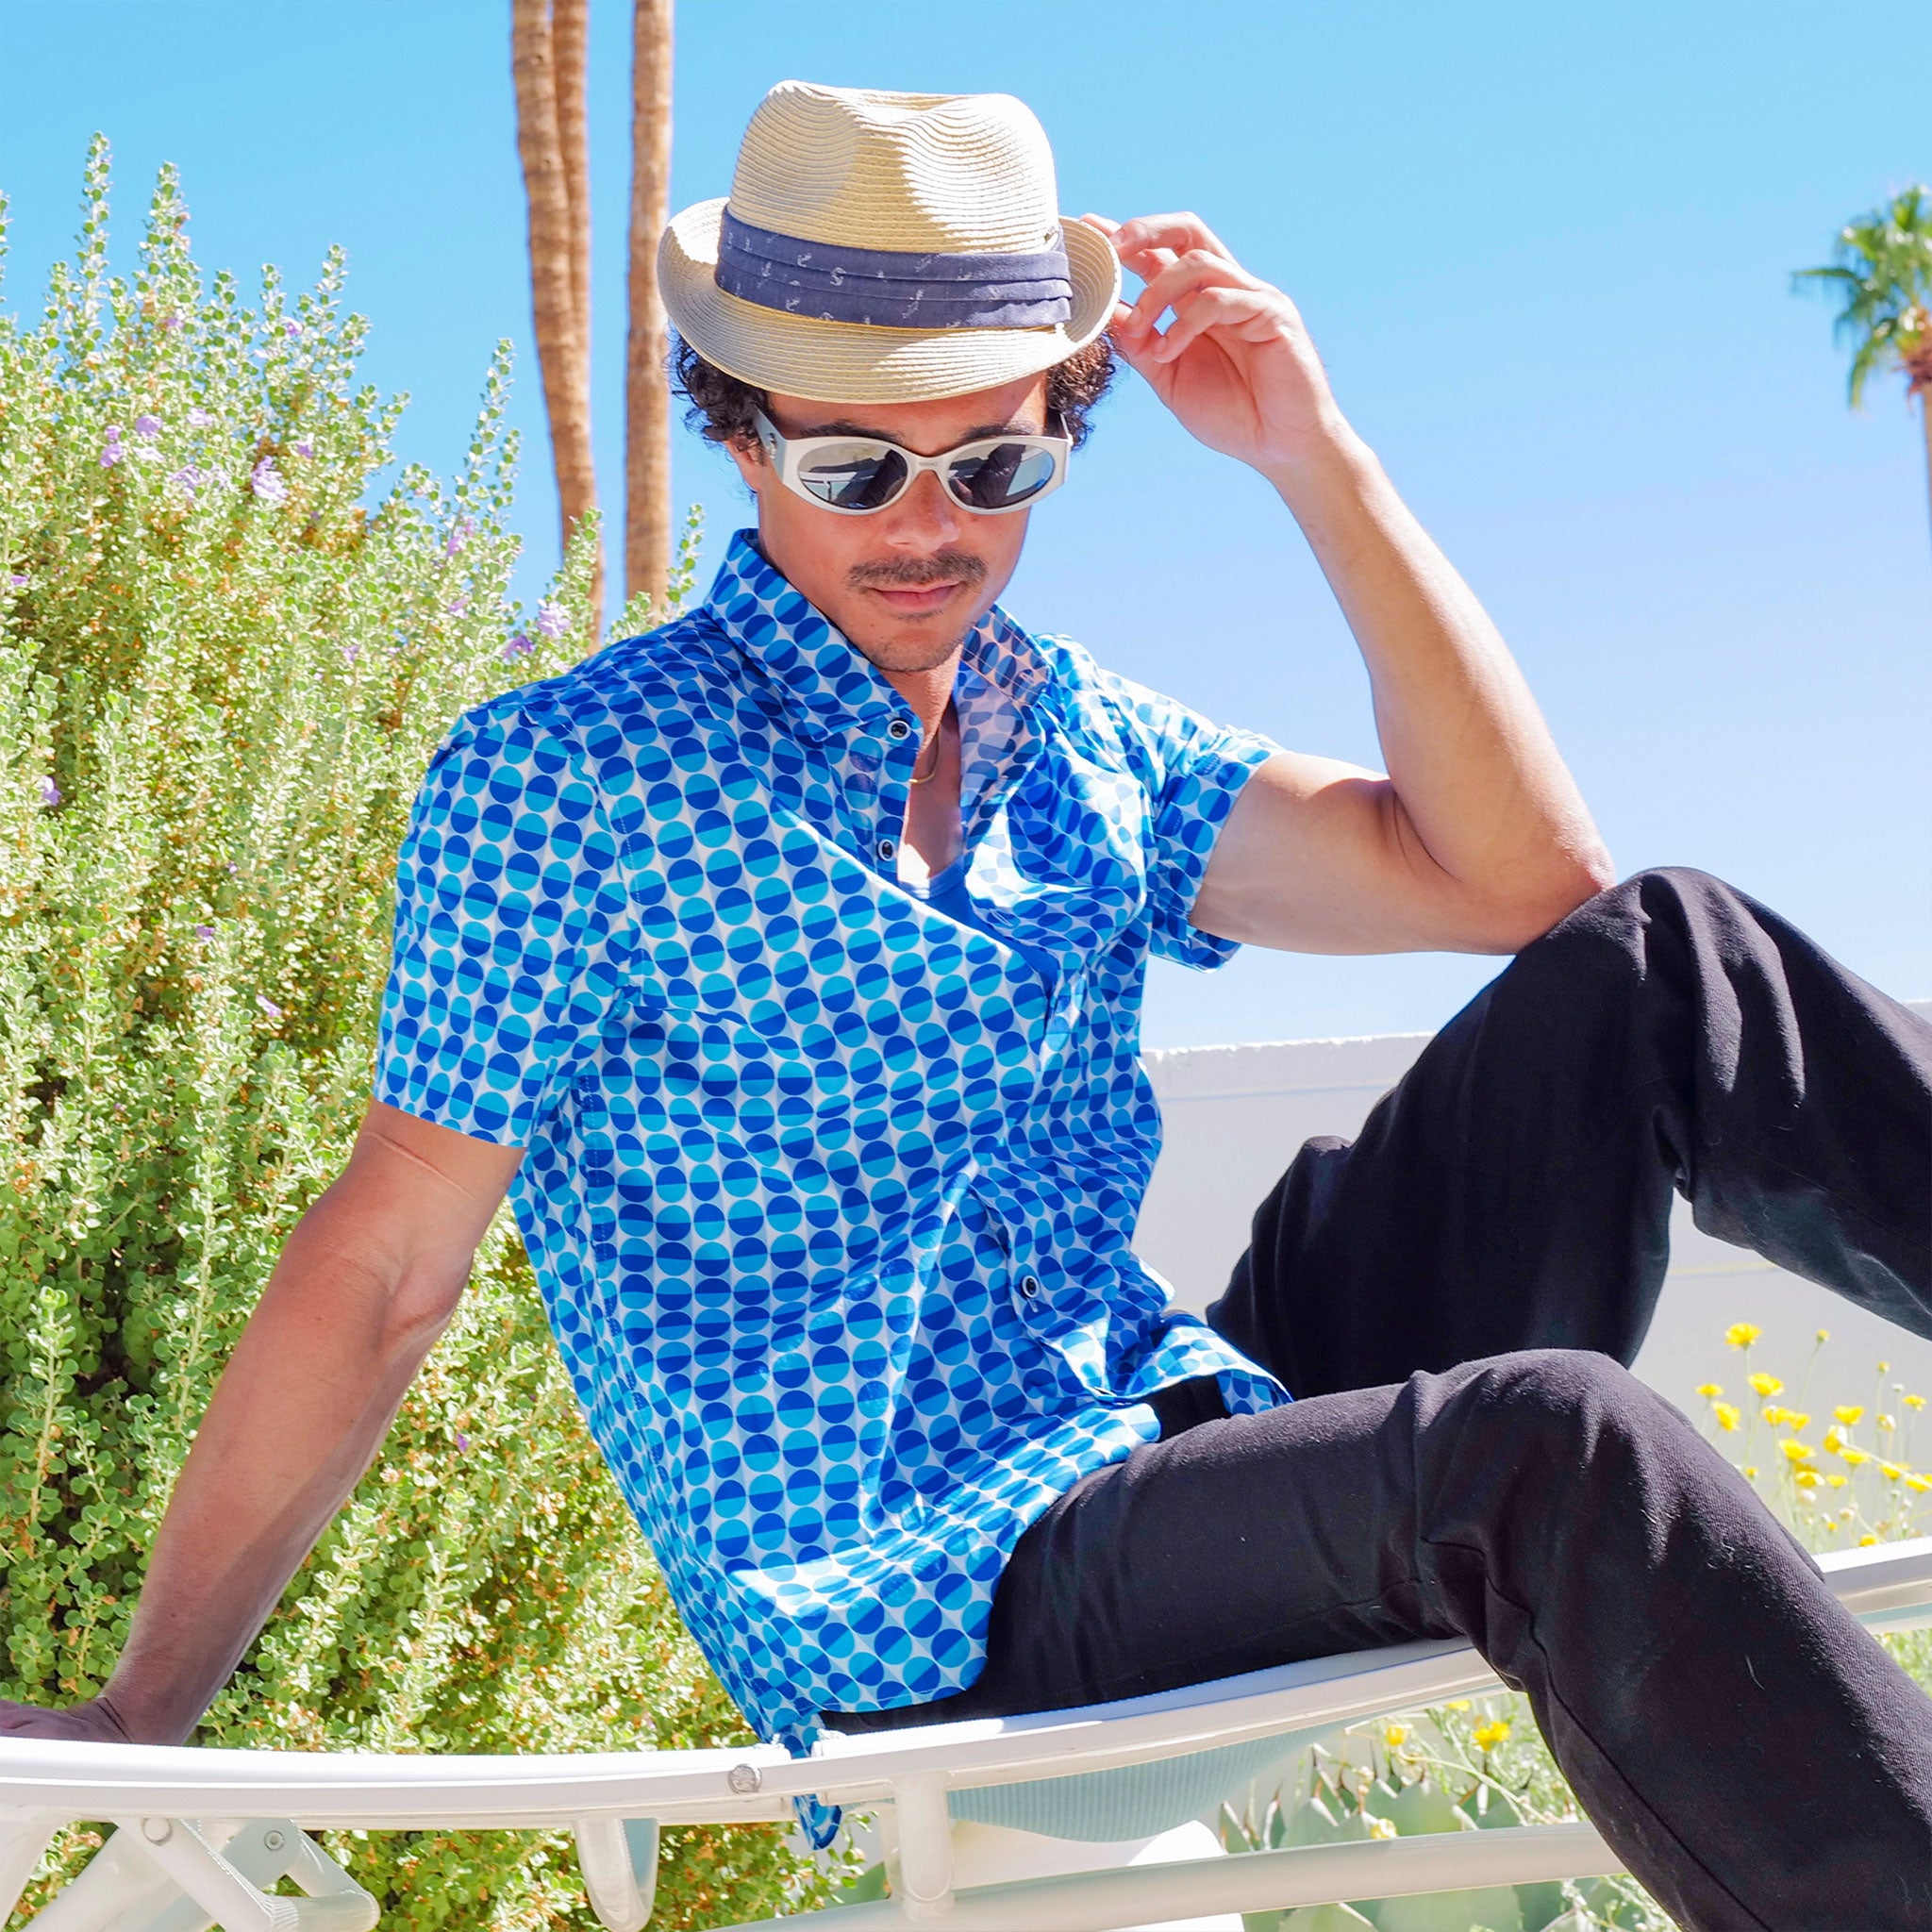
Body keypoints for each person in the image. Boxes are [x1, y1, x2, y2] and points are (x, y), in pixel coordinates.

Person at [6, 79, 1928, 1932]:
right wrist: (141, 1713)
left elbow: (1518, 882)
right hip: (949, 1604)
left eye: (996, 465)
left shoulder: (1074, 735)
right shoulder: (569, 783)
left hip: (1181, 1429)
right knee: (1552, 1445)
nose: (928, 526)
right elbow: (387, 1263)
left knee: (1666, 957)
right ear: (741, 431)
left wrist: (1312, 457)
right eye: (855, 466)